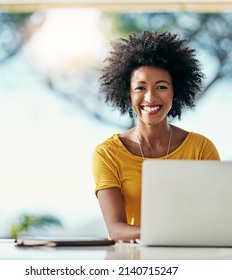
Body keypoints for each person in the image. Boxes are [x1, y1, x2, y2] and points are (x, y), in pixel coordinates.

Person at [92, 31, 220, 242]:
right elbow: (116, 229)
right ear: (128, 93)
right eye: (140, 88)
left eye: (161, 87)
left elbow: (215, 214)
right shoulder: (108, 153)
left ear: (175, 92)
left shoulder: (201, 148)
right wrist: (164, 234)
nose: (150, 97)